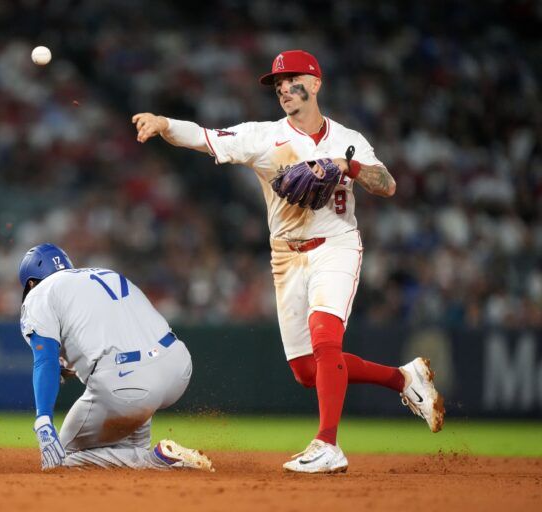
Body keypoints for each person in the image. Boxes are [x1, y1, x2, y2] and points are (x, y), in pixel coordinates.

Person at [132, 50, 444, 474]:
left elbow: (386, 185)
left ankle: (327, 444)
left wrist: (345, 165)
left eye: (292, 79)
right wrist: (163, 123)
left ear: (315, 84)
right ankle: (404, 379)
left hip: (335, 244)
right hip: (287, 256)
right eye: (277, 83)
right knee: (306, 371)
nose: (283, 88)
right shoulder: (263, 137)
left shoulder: (347, 138)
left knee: (325, 339)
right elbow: (204, 136)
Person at [19, 242, 214, 471]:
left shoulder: (40, 292)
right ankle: (140, 457)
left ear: (31, 282)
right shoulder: (103, 274)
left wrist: (43, 420)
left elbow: (44, 360)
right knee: (127, 442)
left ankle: (154, 460)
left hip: (131, 385)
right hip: (177, 366)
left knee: (60, 458)